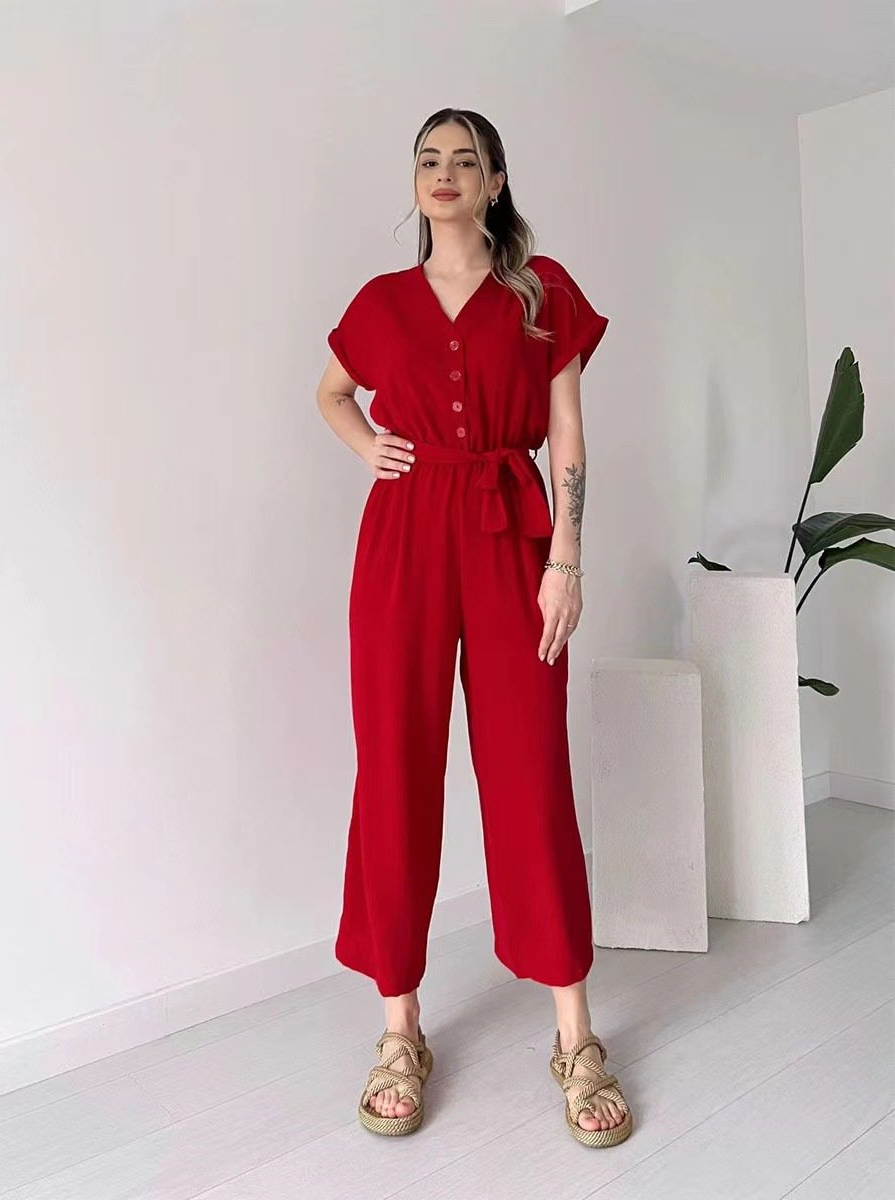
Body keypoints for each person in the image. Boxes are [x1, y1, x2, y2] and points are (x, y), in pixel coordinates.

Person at [316, 107, 632, 1148]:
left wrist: (566, 558)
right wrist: (366, 444)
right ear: (415, 182)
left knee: (531, 770)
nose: (444, 173)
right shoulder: (381, 303)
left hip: (511, 534)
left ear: (496, 181)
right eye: (429, 159)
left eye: (466, 160)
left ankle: (575, 1035)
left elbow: (567, 430)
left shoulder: (542, 293)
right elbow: (331, 392)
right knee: (394, 768)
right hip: (403, 540)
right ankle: (399, 1029)